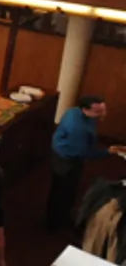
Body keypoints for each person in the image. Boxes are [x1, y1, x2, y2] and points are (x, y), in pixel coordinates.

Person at [46, 96, 126, 230]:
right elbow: (83, 153)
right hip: (66, 159)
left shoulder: (76, 112)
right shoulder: (78, 129)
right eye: (99, 112)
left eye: (103, 110)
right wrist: (107, 152)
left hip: (65, 151)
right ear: (85, 110)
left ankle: (59, 217)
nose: (103, 114)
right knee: (63, 191)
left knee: (62, 189)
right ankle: (55, 223)